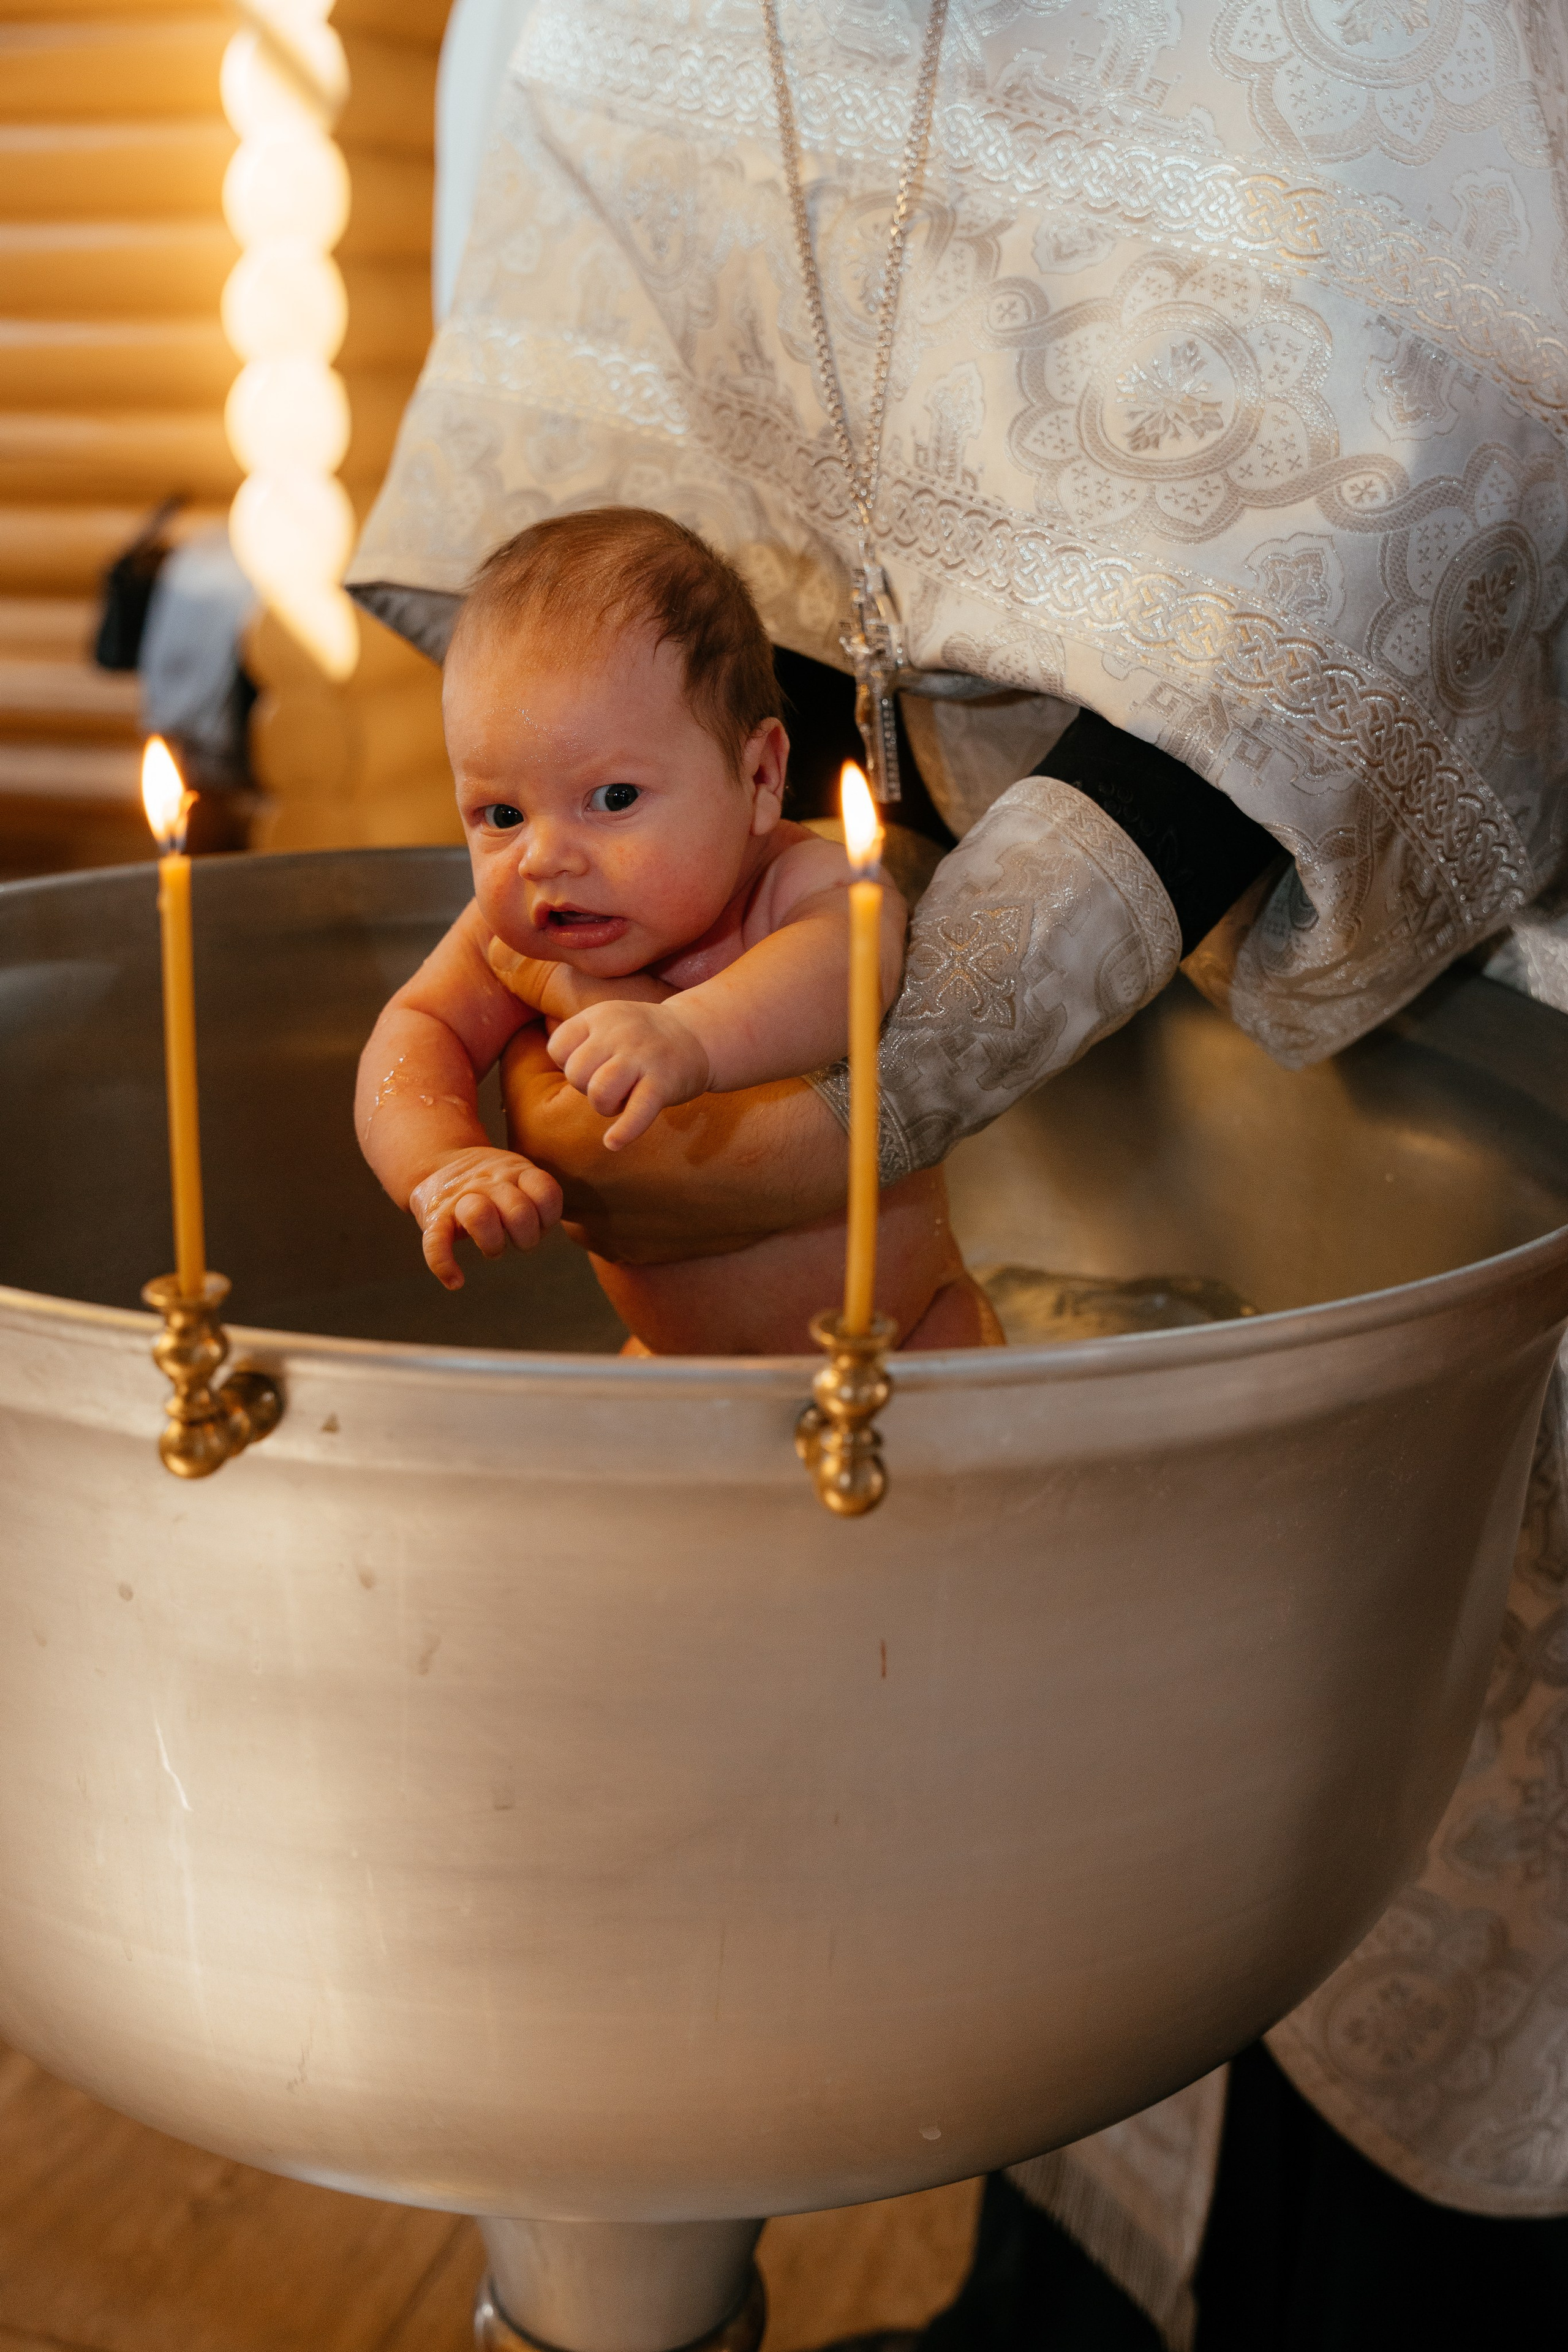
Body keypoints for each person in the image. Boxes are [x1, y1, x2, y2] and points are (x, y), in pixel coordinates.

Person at [347, 0, 1568, 2334]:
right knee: (1062, 1791)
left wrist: (850, 1029)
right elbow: (655, 469)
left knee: (1386, 1755)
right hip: (904, 1114)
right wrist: (665, 837)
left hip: (1373, 989)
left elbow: (1424, 445)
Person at [355, 507, 996, 1354]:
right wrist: (441, 1164)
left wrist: (690, 1032)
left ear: (759, 776)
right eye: (501, 813)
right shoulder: (514, 935)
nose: (547, 857)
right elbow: (415, 1031)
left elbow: (852, 969)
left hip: (911, 1339)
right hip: (676, 1364)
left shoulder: (792, 882)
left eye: (614, 798)